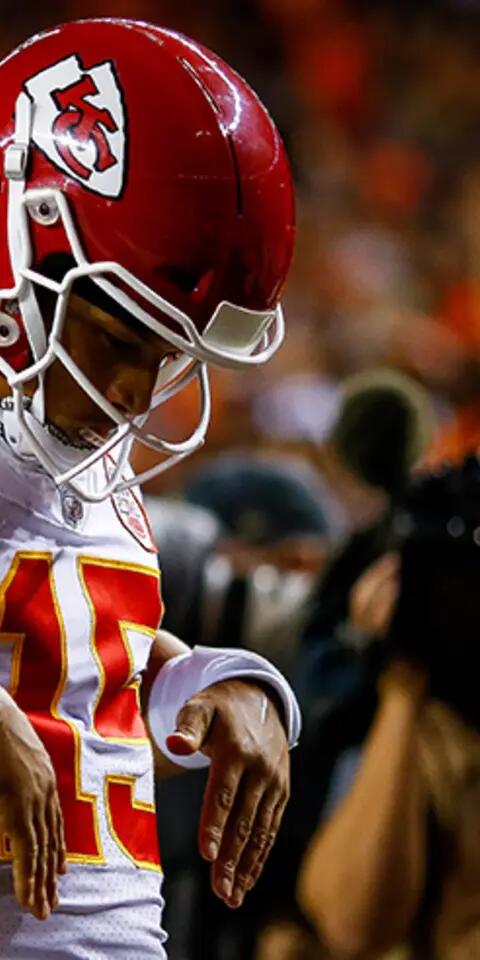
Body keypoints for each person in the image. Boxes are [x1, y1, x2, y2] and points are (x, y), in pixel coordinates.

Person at [0, 18, 301, 960]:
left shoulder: (75, 442)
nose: (134, 394)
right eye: (120, 338)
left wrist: (207, 679)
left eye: (165, 354)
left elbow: (65, 650)